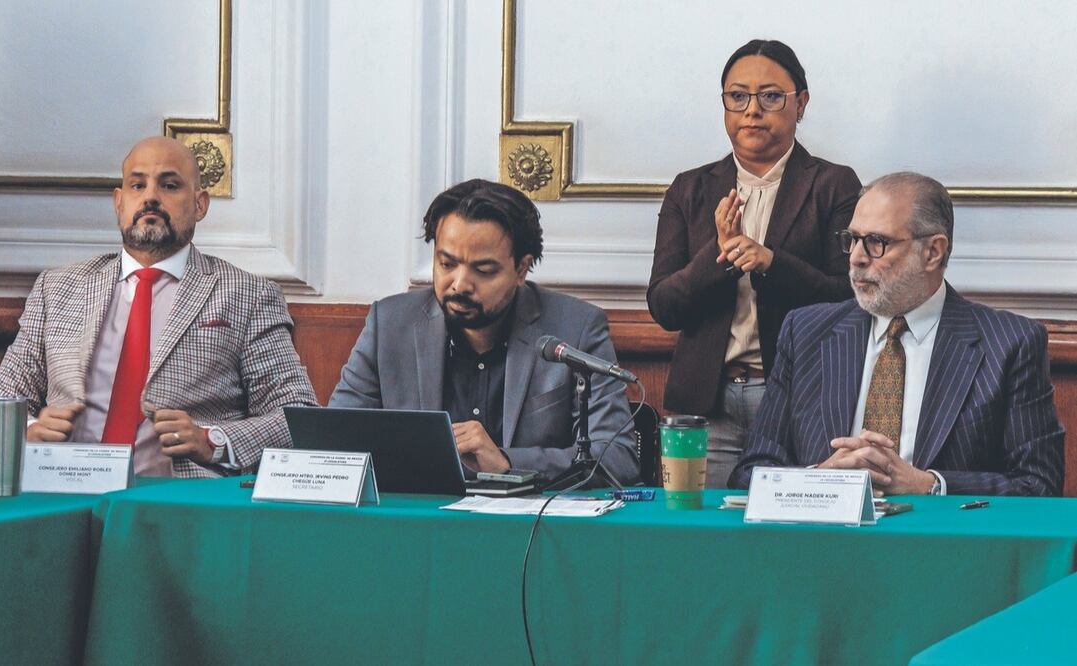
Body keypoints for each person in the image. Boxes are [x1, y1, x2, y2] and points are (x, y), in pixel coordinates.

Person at [0, 136, 318, 478]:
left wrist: (215, 441)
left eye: (169, 185)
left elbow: (297, 414)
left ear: (199, 204)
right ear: (119, 202)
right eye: (137, 185)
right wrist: (28, 430)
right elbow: (5, 398)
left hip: (180, 505)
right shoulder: (58, 288)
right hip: (62, 489)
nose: (150, 197)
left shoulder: (246, 294)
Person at [729, 172, 1065, 496]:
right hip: (825, 545)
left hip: (942, 546)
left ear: (933, 251)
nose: (857, 258)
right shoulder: (805, 333)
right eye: (852, 240)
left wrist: (929, 485)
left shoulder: (1009, 343)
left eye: (877, 242)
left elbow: (1037, 485)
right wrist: (819, 482)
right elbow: (751, 471)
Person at [647, 39, 861, 487]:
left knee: (789, 536)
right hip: (708, 403)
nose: (752, 110)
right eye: (737, 96)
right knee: (703, 536)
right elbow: (664, 306)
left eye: (770, 97)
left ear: (800, 104)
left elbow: (850, 299)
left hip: (798, 396)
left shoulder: (833, 185)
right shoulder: (690, 189)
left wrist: (770, 262)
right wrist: (720, 256)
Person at [329, 179, 639, 485]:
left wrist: (507, 462)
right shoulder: (390, 325)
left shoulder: (577, 327)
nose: (460, 283)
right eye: (447, 263)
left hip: (529, 530)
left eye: (484, 270)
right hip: (418, 526)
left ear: (521, 269)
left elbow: (617, 458)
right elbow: (334, 442)